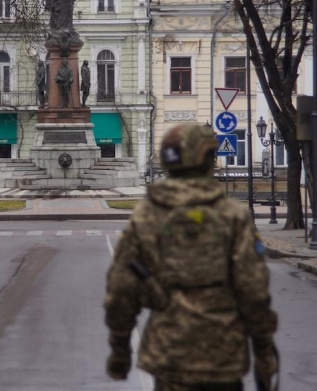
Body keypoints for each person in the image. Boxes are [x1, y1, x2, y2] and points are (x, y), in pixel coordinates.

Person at [104, 122, 279, 391]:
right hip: (223, 355)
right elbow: (253, 289)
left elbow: (122, 287)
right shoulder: (232, 216)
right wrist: (265, 353)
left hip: (169, 354)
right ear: (209, 159)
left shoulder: (148, 216)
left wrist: (119, 350)